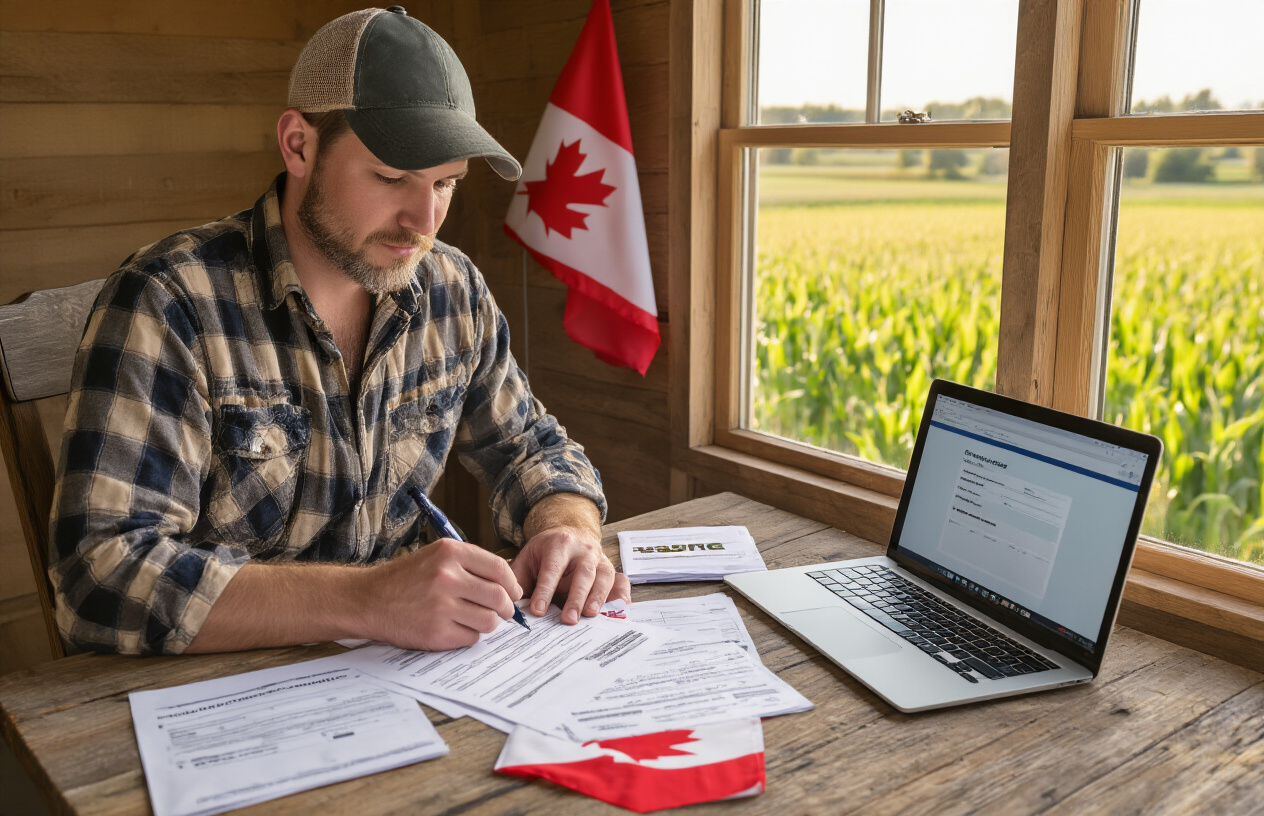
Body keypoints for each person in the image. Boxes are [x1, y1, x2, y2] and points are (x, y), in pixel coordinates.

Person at [46, 6, 628, 657]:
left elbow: (530, 445)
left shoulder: (451, 289)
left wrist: (568, 525)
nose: (423, 220)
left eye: (446, 184)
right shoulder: (170, 300)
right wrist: (370, 598)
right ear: (299, 144)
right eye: (390, 177)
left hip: (405, 674)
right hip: (215, 690)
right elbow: (100, 577)